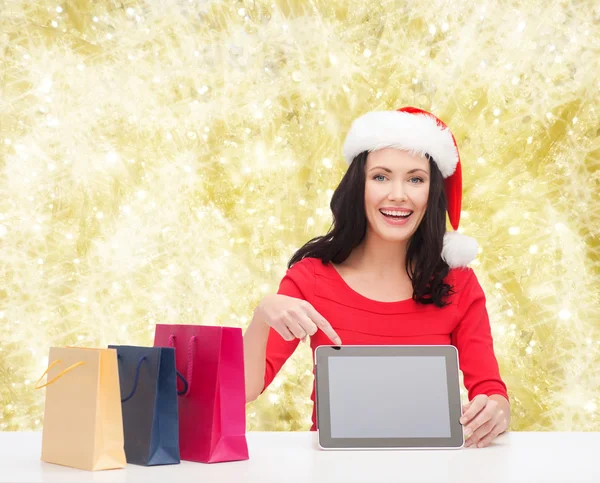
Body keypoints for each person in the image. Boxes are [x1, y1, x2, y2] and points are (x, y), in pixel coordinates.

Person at [243, 107, 510, 449]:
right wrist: (262, 314)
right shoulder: (309, 278)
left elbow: (491, 391)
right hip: (334, 471)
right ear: (359, 186)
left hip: (431, 468)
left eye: (415, 179)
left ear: (432, 193)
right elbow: (243, 391)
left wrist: (495, 413)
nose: (398, 194)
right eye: (381, 176)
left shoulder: (459, 284)